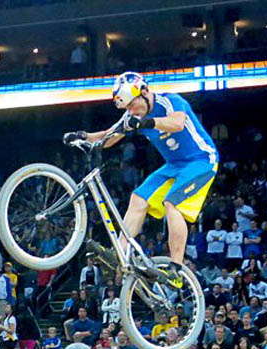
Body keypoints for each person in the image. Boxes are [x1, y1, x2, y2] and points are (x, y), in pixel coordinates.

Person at [67, 72, 217, 286]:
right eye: (127, 108)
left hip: (201, 160)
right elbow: (110, 136)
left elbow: (177, 124)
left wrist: (146, 122)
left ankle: (176, 268)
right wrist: (82, 136)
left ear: (144, 92)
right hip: (174, 165)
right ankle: (120, 251)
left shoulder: (170, 101)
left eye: (133, 105)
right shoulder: (134, 114)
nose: (131, 111)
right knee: (138, 198)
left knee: (171, 203)